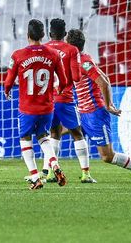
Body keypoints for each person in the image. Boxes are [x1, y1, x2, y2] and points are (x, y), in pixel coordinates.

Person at [66, 29, 131, 182]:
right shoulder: (78, 60)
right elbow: (105, 78)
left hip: (94, 113)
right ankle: (71, 173)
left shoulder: (84, 63)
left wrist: (109, 105)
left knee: (107, 156)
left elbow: (104, 82)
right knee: (57, 131)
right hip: (82, 112)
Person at [4, 19, 68, 190]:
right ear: (43, 35)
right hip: (47, 107)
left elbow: (8, 81)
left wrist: (7, 89)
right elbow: (64, 80)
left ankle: (34, 177)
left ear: (27, 35)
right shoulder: (54, 54)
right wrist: (60, 90)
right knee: (43, 137)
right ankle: (54, 164)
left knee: (25, 139)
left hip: (28, 107)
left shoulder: (18, 55)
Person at [43, 18, 95, 184]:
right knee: (77, 133)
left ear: (50, 33)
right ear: (65, 34)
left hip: (48, 100)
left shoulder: (43, 49)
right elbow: (76, 76)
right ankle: (85, 174)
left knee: (53, 134)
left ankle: (51, 173)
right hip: (65, 99)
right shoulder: (72, 49)